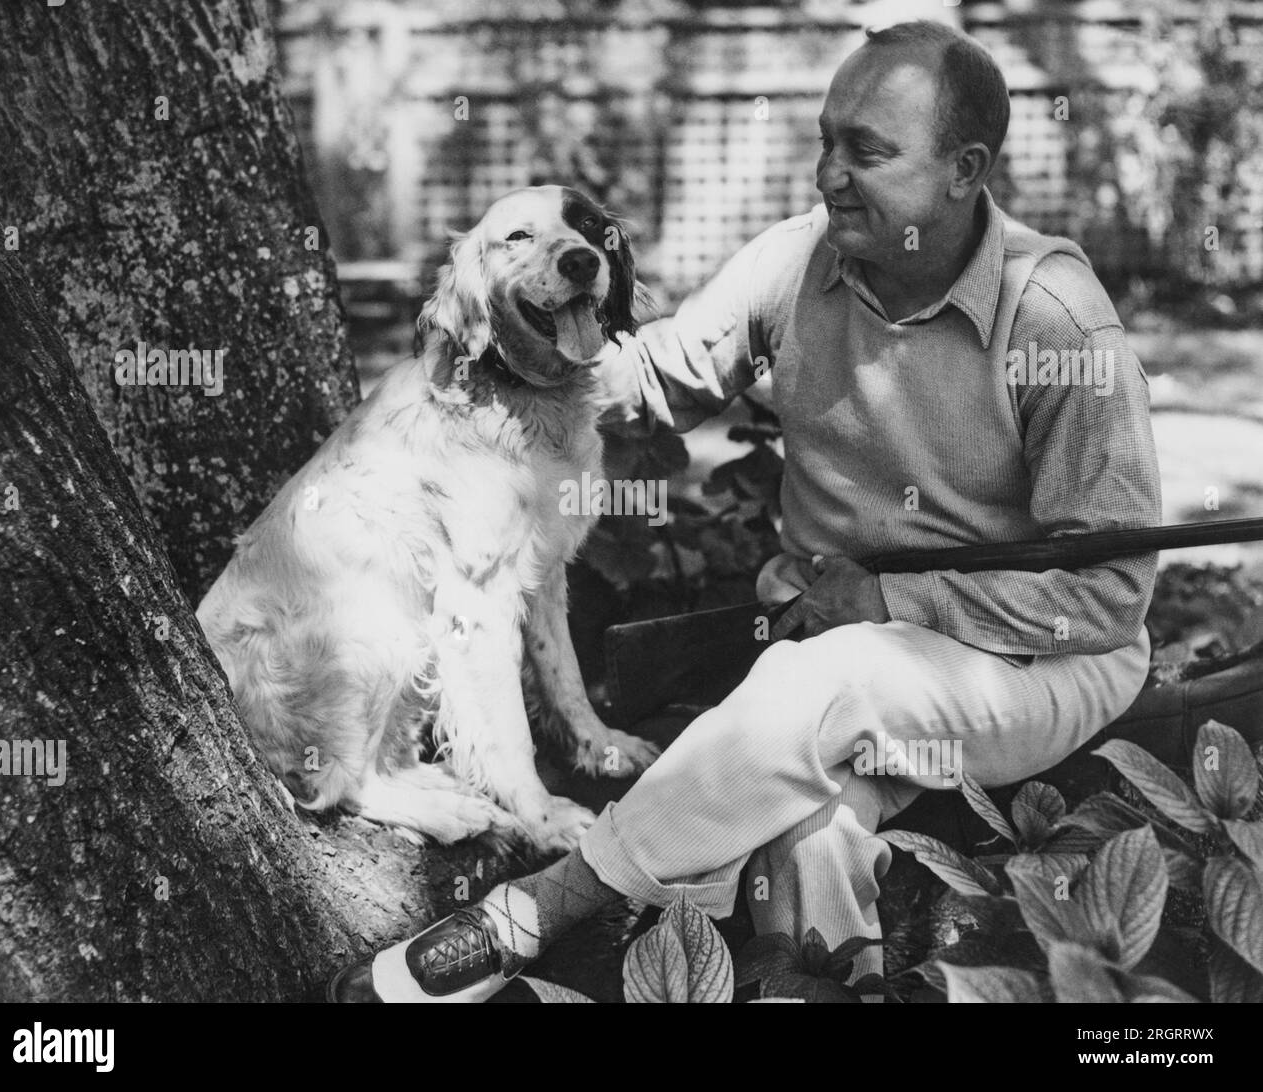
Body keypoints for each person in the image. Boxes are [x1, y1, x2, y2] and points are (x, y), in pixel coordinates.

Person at [328, 19, 1160, 1003]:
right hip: (844, 661)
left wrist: (897, 603)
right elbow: (659, 375)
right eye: (825, 140)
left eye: (867, 151)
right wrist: (500, 351)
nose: (829, 175)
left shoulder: (1054, 318)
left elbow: (1105, 596)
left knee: (835, 673)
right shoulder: (800, 263)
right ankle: (824, 985)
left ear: (962, 170)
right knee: (806, 832)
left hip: (1037, 662)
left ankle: (539, 912)